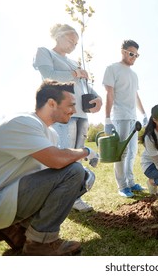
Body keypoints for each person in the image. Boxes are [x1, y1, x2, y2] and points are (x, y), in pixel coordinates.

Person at [0, 80, 99, 255]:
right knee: (74, 172)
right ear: (52, 103)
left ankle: (16, 230)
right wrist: (86, 151)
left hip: (5, 197)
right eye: (71, 105)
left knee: (78, 175)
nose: (75, 111)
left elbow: (50, 174)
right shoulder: (23, 122)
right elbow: (58, 160)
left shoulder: (49, 133)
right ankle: (40, 244)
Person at [33, 23, 102, 212]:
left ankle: (73, 197)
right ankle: (55, 199)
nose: (74, 44)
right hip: (63, 114)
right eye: (71, 39)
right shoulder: (45, 52)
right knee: (64, 154)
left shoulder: (74, 62)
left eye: (76, 42)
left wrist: (97, 97)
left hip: (81, 114)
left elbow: (85, 85)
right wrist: (75, 73)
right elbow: (48, 76)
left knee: (77, 156)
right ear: (58, 35)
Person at [103, 39, 148, 198]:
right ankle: (122, 186)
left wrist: (143, 114)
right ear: (122, 51)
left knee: (132, 152)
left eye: (137, 55)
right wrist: (107, 119)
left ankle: (130, 182)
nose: (134, 57)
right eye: (131, 53)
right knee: (122, 152)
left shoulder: (134, 75)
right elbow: (109, 94)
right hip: (120, 117)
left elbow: (135, 95)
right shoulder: (112, 69)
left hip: (132, 118)